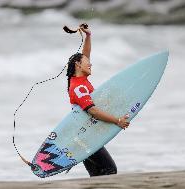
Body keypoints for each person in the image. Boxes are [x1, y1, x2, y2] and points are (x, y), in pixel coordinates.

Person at [66, 24, 130, 177]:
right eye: (87, 62)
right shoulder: (78, 87)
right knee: (109, 170)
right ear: (78, 65)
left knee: (97, 174)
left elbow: (85, 56)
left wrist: (88, 36)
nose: (91, 63)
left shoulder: (78, 79)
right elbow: (93, 111)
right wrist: (117, 120)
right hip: (85, 138)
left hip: (83, 136)